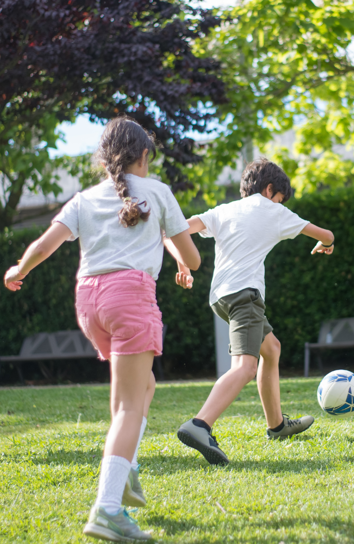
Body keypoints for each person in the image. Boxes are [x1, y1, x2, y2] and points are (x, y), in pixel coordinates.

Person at [4, 117, 200, 542]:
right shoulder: (159, 192)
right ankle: (108, 508)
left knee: (139, 387)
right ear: (144, 155)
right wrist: (184, 261)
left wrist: (19, 269)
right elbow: (194, 257)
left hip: (89, 302)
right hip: (130, 297)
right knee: (133, 404)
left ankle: (125, 468)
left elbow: (45, 244)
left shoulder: (86, 197)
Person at [168, 158, 334, 465]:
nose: (279, 203)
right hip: (245, 296)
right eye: (280, 198)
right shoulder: (273, 210)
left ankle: (277, 426)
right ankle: (200, 424)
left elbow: (179, 231)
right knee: (245, 367)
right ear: (271, 190)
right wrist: (326, 244)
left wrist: (183, 265)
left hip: (221, 297)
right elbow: (326, 234)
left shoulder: (225, 209)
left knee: (271, 348)